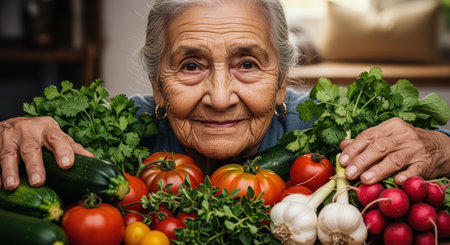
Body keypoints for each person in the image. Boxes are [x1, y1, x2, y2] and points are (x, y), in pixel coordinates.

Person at [1, 0, 449, 192]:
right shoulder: (106, 133)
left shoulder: (330, 124)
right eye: (191, 65)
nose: (219, 97)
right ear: (157, 84)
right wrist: (16, 137)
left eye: (248, 64)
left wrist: (441, 148)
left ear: (281, 81)